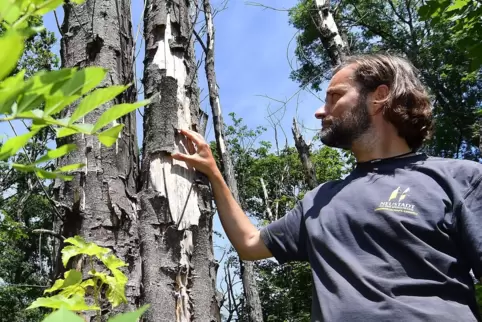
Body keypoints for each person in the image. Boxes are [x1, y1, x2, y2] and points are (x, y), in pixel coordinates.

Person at [171, 54, 482, 322]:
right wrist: (213, 172)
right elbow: (250, 244)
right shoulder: (319, 201)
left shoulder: (460, 179)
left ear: (379, 96)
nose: (321, 111)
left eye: (335, 96)